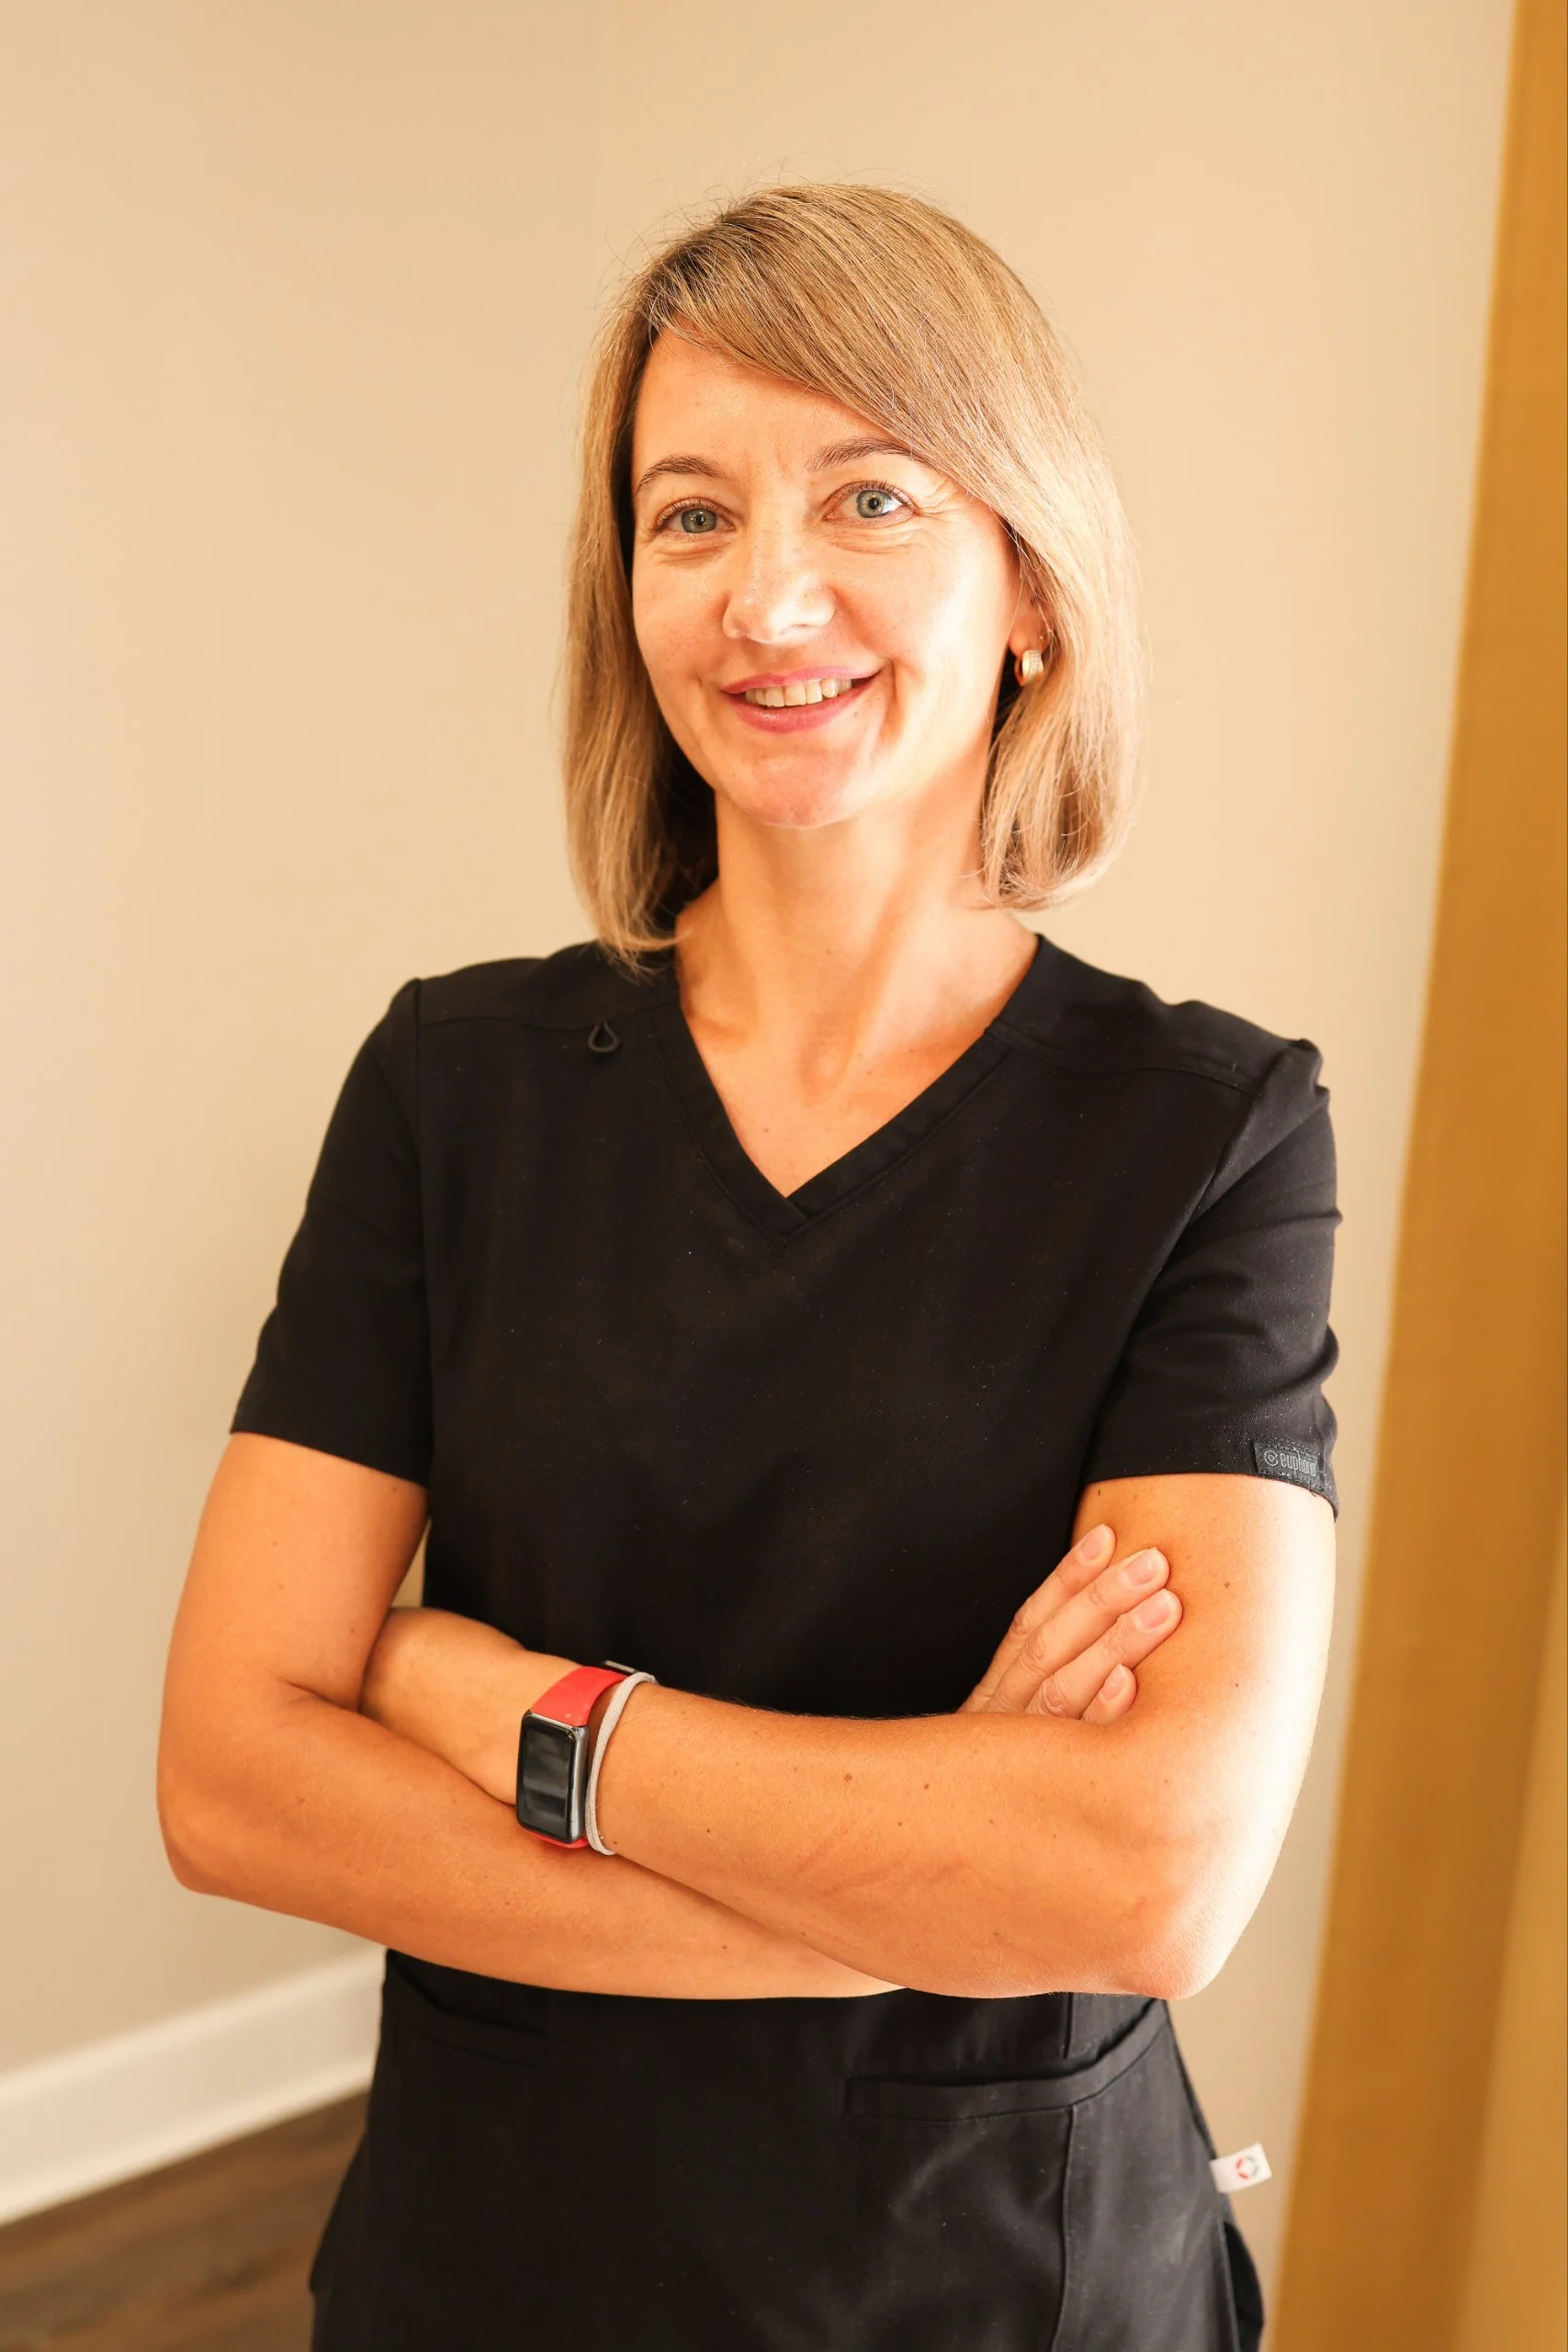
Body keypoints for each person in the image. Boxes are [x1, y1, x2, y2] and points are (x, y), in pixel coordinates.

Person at [158, 185, 1337, 2351]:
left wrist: (509, 1705)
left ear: (1029, 585)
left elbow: (1149, 1874)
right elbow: (231, 1776)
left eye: (869, 493)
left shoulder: (1207, 1131)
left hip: (998, 2277)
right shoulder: (454, 1084)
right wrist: (924, 1884)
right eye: (688, 514)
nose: (767, 594)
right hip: (506, 2260)